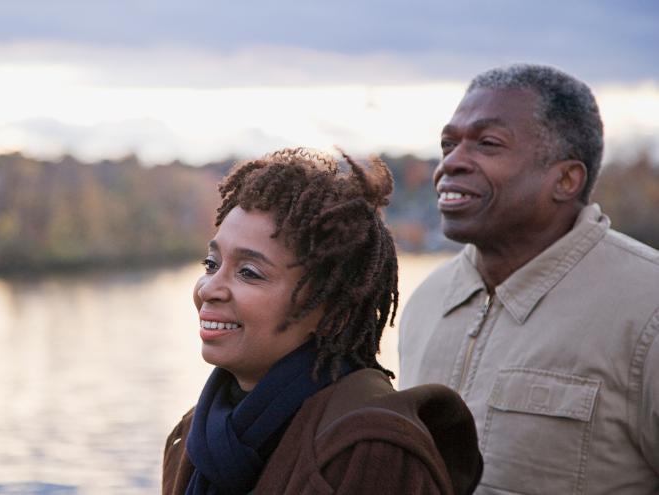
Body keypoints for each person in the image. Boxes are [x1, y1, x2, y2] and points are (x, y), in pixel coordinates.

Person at [398, 64, 659, 494]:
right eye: (448, 144)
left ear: (565, 179)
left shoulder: (647, 309)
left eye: (487, 144)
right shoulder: (428, 300)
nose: (451, 163)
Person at [163, 148, 482, 495]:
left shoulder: (372, 450)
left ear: (333, 310)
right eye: (211, 264)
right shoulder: (194, 433)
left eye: (249, 273)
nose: (210, 288)